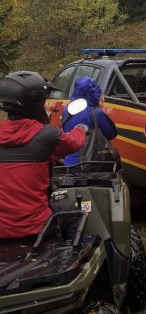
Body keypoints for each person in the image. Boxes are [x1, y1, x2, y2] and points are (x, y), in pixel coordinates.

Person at [0, 71, 88, 239]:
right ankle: (70, 258)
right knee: (74, 215)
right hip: (35, 227)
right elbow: (75, 142)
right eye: (43, 102)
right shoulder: (47, 136)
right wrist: (81, 128)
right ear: (34, 102)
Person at [62, 76, 117, 165]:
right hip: (90, 162)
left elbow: (66, 130)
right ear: (94, 94)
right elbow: (111, 133)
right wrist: (99, 107)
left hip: (70, 161)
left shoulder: (67, 111)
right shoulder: (96, 113)